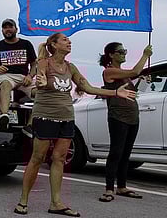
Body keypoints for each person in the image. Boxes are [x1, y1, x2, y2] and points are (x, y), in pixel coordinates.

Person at [13, 33, 136, 216]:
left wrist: (115, 93)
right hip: (45, 116)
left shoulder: (70, 67)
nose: (69, 42)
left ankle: (56, 203)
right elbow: (38, 81)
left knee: (60, 159)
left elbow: (88, 88)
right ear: (54, 45)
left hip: (67, 117)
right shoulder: (44, 63)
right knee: (37, 158)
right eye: (64, 40)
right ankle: (23, 201)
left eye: (69, 40)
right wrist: (42, 82)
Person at [98, 42, 152, 203]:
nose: (124, 54)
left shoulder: (124, 75)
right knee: (116, 152)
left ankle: (121, 186)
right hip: (118, 117)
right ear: (111, 55)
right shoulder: (109, 71)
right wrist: (145, 55)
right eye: (120, 52)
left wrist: (141, 81)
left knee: (126, 153)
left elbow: (133, 92)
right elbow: (135, 70)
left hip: (132, 117)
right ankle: (109, 188)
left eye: (125, 51)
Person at [0, 18, 37, 135]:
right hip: (6, 76)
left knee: (41, 93)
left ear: (16, 29)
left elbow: (34, 64)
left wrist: (30, 76)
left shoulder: (26, 44)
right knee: (5, 85)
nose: (7, 30)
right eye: (5, 28)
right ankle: (4, 115)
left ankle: (29, 125)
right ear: (2, 30)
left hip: (24, 77)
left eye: (10, 27)